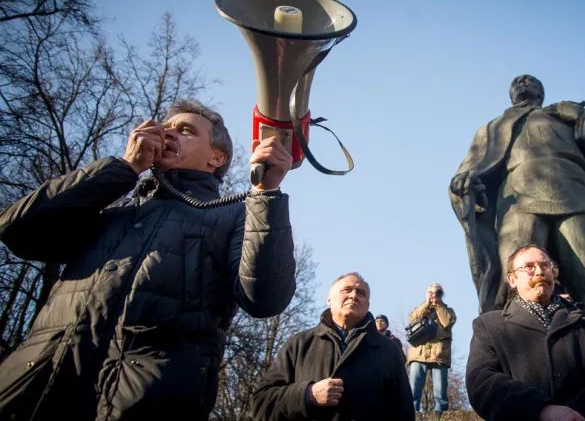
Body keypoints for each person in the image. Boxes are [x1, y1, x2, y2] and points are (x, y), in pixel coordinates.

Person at [0, 99, 297, 420]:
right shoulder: (112, 208)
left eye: (184, 131)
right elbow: (17, 230)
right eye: (165, 128)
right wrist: (124, 167)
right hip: (35, 386)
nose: (168, 134)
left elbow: (265, 299)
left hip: (144, 398)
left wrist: (265, 195)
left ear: (217, 157)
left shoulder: (234, 215)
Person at [449, 74, 585, 312]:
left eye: (531, 82)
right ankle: (516, 342)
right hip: (517, 198)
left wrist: (580, 119)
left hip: (576, 191)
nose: (524, 84)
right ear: (511, 95)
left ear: (541, 93)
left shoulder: (562, 115)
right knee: (516, 281)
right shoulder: (492, 128)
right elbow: (471, 170)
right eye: (518, 84)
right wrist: (464, 183)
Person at [466, 244, 585, 421]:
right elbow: (482, 381)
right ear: (512, 280)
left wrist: (577, 413)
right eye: (529, 267)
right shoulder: (489, 326)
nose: (539, 272)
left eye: (545, 265)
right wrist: (540, 410)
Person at [252, 273, 414, 421]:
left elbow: (404, 414)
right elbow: (261, 403)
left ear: (368, 305)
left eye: (361, 293)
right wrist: (308, 394)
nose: (353, 296)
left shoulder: (388, 350)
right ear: (329, 298)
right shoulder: (300, 343)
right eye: (346, 290)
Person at [407, 283, 456, 414]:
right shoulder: (421, 309)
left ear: (442, 295)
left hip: (439, 354)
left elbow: (447, 322)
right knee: (413, 389)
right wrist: (426, 303)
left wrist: (439, 305)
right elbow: (412, 318)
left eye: (437, 292)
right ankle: (412, 413)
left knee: (440, 390)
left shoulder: (447, 311)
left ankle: (440, 414)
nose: (434, 295)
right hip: (419, 352)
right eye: (431, 292)